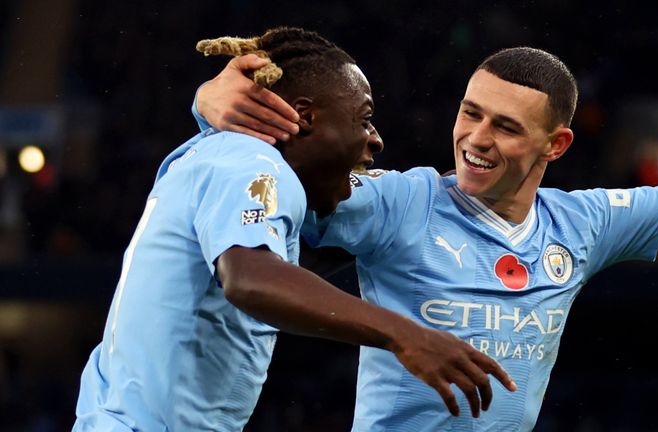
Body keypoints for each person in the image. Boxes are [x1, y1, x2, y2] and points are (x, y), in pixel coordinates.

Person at [195, 47, 658, 431]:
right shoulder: (401, 202)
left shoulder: (584, 224)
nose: (477, 138)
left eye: (507, 126)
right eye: (471, 113)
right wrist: (208, 110)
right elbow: (276, 175)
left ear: (557, 145)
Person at [72, 27, 516, 432]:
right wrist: (404, 334)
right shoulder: (252, 160)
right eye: (364, 118)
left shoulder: (221, 156)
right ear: (305, 116)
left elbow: (293, 272)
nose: (376, 138)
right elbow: (251, 279)